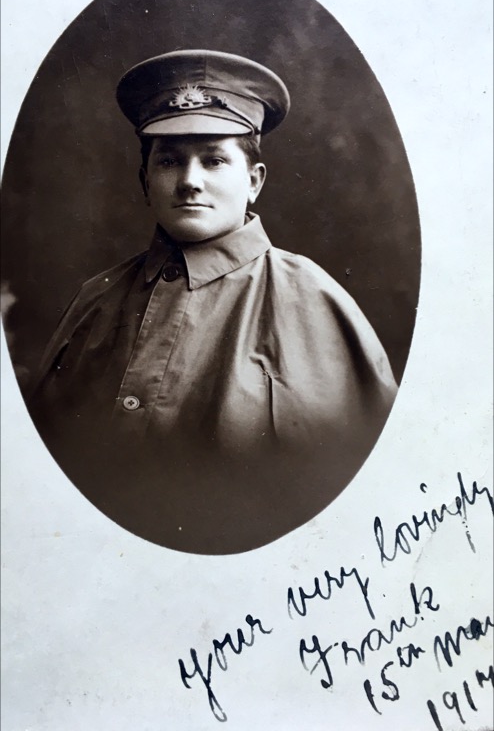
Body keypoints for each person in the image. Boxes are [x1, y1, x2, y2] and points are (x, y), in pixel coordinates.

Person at [29, 49, 397, 554]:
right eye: (169, 160)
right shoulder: (96, 299)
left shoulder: (312, 300)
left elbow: (360, 504)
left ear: (254, 181)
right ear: (145, 182)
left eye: (215, 159)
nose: (189, 180)